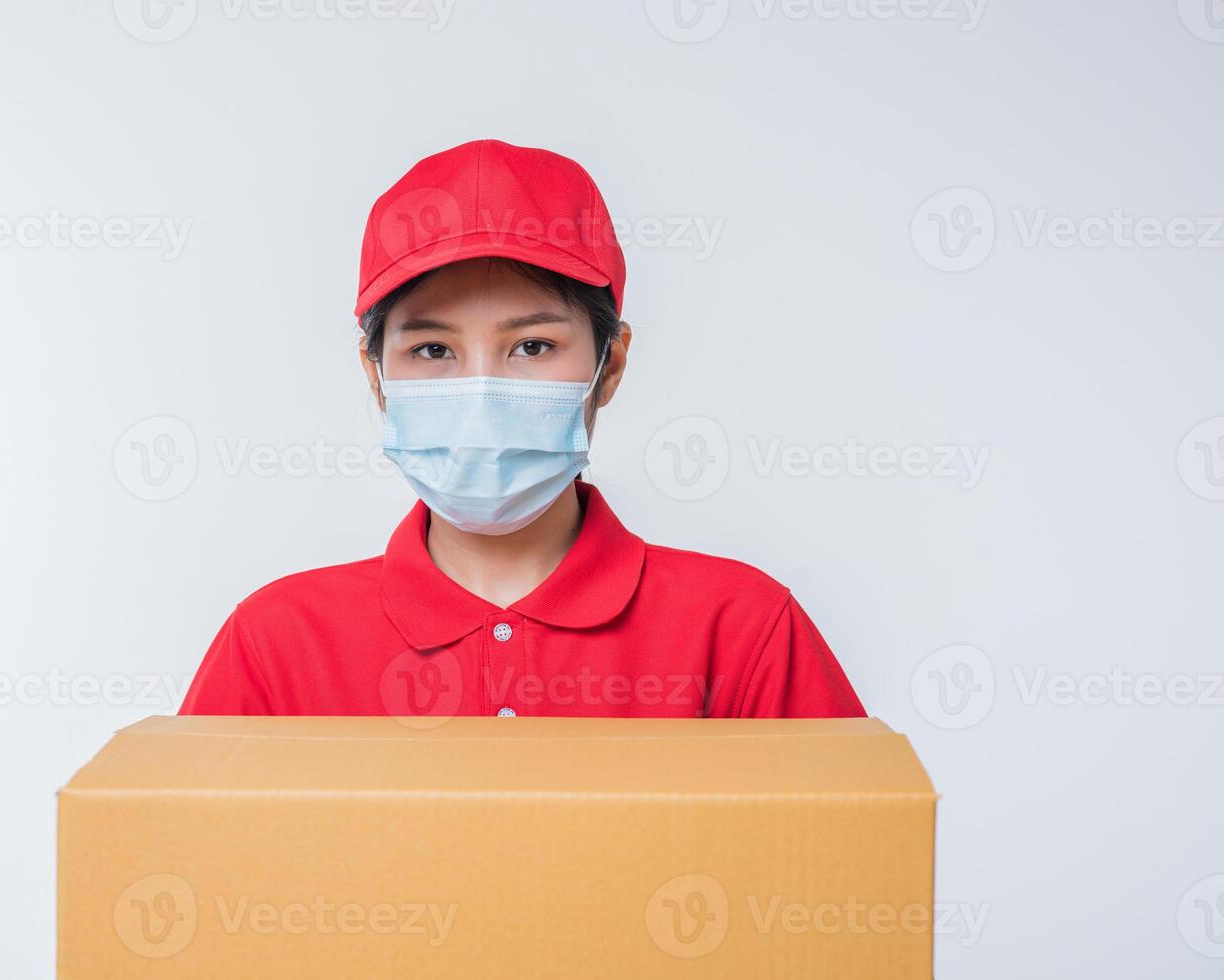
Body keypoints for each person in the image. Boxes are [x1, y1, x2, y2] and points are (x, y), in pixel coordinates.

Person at [180, 138, 864, 719]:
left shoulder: (741, 629)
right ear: (375, 375)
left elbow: (835, 863)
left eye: (532, 346)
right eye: (432, 350)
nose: (480, 398)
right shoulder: (277, 643)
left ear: (611, 363)